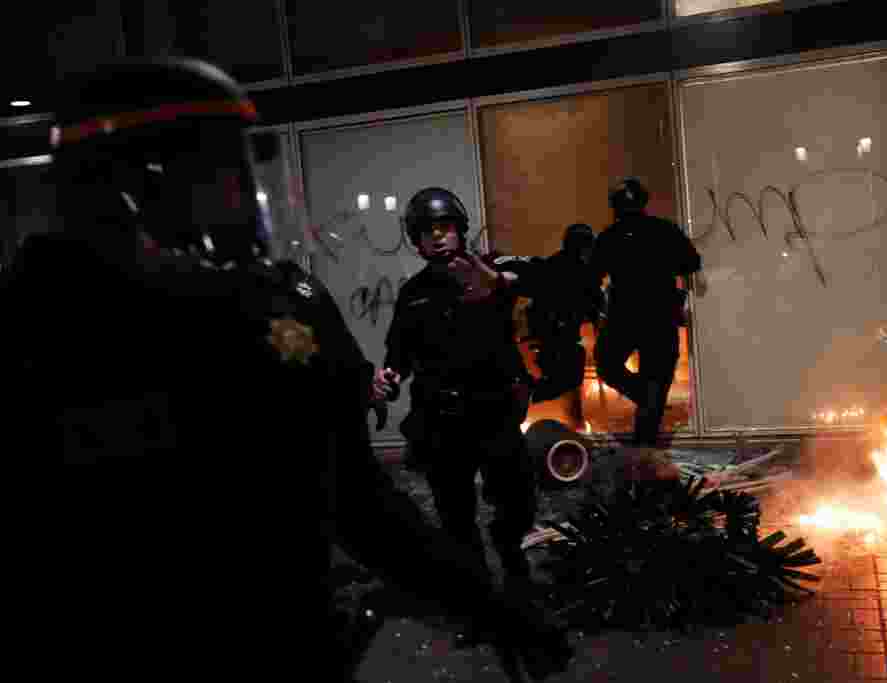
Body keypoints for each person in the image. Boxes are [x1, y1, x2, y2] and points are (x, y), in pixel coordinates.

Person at [4, 58, 570, 680]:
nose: (246, 192)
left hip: (293, 641)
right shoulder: (45, 327)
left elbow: (357, 496)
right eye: (224, 169)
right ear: (140, 185)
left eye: (247, 166)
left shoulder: (277, 300)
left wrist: (485, 604)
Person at [373, 187, 539, 590]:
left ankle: (517, 580)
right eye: (427, 230)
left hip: (495, 413)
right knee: (455, 517)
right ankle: (477, 598)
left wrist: (500, 282)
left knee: (515, 507)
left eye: (445, 226)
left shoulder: (493, 269)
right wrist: (387, 378)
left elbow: (553, 278)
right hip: (441, 422)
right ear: (416, 240)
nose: (437, 236)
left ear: (460, 231)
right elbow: (399, 354)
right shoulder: (413, 294)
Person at [592, 177, 705, 447]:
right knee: (654, 384)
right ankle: (646, 452)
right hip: (659, 319)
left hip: (625, 319)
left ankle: (646, 404)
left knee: (608, 364)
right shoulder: (665, 231)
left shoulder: (609, 236)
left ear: (614, 206)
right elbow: (691, 263)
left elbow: (593, 276)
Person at [523, 223, 605, 407]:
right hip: (556, 334)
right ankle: (528, 394)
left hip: (552, 333)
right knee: (568, 377)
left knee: (568, 377)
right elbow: (593, 299)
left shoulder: (558, 263)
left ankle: (532, 394)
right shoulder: (579, 269)